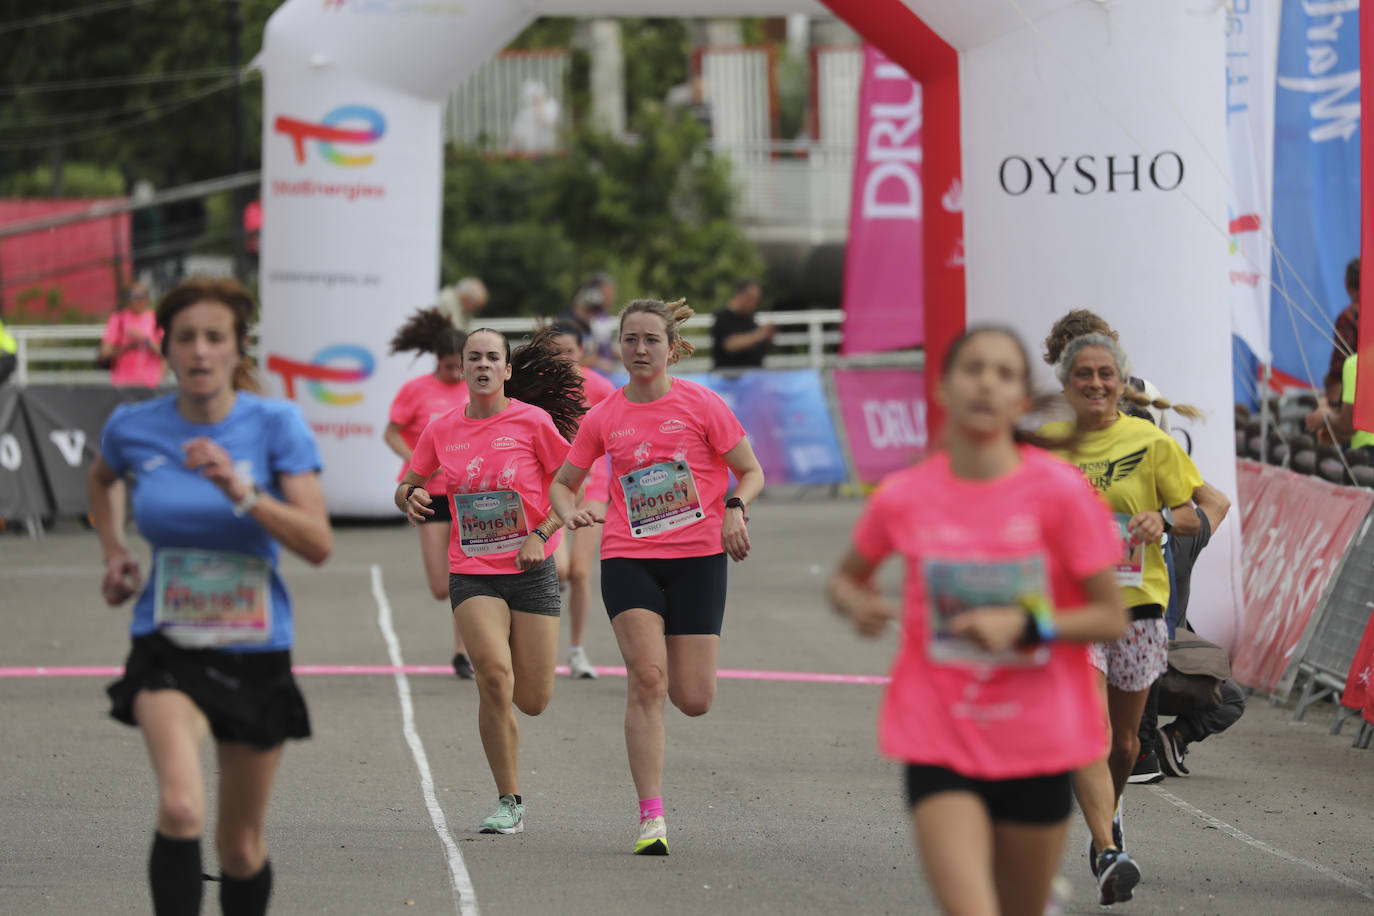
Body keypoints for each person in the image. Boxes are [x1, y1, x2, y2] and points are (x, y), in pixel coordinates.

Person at [828, 326, 1128, 916]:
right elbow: (846, 578)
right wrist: (854, 602)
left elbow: (1109, 615)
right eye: (972, 369)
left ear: (1021, 397)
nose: (986, 382)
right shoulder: (903, 495)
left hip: (1037, 739)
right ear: (942, 387)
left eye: (1004, 373)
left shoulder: (1060, 493)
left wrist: (1026, 626)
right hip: (940, 734)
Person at [87, 276, 333, 916]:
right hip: (168, 643)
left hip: (256, 648)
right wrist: (114, 550)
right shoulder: (133, 427)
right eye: (186, 338)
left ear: (237, 349)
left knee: (241, 847)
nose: (200, 352)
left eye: (214, 338)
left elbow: (317, 543)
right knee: (180, 805)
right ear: (165, 347)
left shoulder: (275, 423)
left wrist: (242, 491)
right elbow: (102, 478)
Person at [549, 297, 765, 856]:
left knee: (693, 698)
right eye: (630, 339)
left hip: (697, 559)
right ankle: (651, 818)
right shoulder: (604, 416)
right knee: (647, 679)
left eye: (651, 340)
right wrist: (568, 511)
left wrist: (736, 508)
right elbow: (564, 480)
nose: (640, 349)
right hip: (629, 556)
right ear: (618, 346)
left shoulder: (702, 404)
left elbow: (750, 469)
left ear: (672, 348)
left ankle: (658, 781)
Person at [396, 325, 582, 835]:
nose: (480, 365)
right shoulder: (441, 428)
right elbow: (409, 481)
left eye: (490, 357)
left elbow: (568, 485)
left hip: (531, 567)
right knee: (494, 677)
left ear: (506, 369)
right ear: (461, 367)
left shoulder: (532, 422)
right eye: (472, 357)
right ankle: (509, 800)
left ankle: (514, 721)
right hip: (473, 569)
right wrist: (408, 497)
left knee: (533, 699)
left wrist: (539, 534)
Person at [1041, 332, 1204, 904]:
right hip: (1073, 605)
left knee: (1127, 743)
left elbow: (1192, 511)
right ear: (1066, 384)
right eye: (1083, 374)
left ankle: (1105, 820)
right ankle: (1108, 848)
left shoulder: (1151, 442)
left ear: (1121, 381)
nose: (1095, 383)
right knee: (1094, 729)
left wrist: (1161, 518)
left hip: (1138, 605)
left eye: (1105, 373)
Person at [383, 307, 474, 678]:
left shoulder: (478, 388)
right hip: (429, 494)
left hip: (469, 495)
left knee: (467, 574)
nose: (456, 373)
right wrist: (418, 460)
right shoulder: (416, 391)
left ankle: (463, 652)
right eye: (450, 366)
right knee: (441, 585)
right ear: (438, 361)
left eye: (461, 366)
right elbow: (391, 432)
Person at [1150, 484, 1246, 776]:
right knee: (1230, 699)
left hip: (1105, 667)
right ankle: (1175, 737)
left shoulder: (1103, 533)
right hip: (1167, 672)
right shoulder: (1180, 541)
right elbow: (1218, 502)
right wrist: (1172, 470)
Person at [549, 322, 617, 679]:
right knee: (558, 569)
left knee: (579, 571)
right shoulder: (538, 390)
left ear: (582, 351)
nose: (563, 358)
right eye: (555, 351)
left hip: (594, 486)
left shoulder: (600, 386)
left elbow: (619, 434)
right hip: (553, 488)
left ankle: (576, 651)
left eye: (569, 351)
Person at [1306, 257, 1361, 435]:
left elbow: (1338, 368)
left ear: (1346, 283)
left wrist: (1326, 409)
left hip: (1352, 411)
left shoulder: (1348, 318)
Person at [100, 282, 166, 387]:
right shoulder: (118, 319)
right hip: (122, 383)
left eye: (139, 296)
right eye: (131, 296)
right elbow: (105, 353)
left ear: (147, 298)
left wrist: (145, 339)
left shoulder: (155, 319)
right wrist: (127, 347)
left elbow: (165, 354)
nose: (135, 300)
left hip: (150, 383)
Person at [710, 279, 775, 370]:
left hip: (754, 374)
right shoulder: (722, 317)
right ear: (739, 295)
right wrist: (760, 334)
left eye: (756, 300)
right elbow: (730, 345)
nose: (754, 304)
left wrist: (768, 338)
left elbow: (758, 349)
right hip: (730, 377)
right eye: (751, 299)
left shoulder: (750, 318)